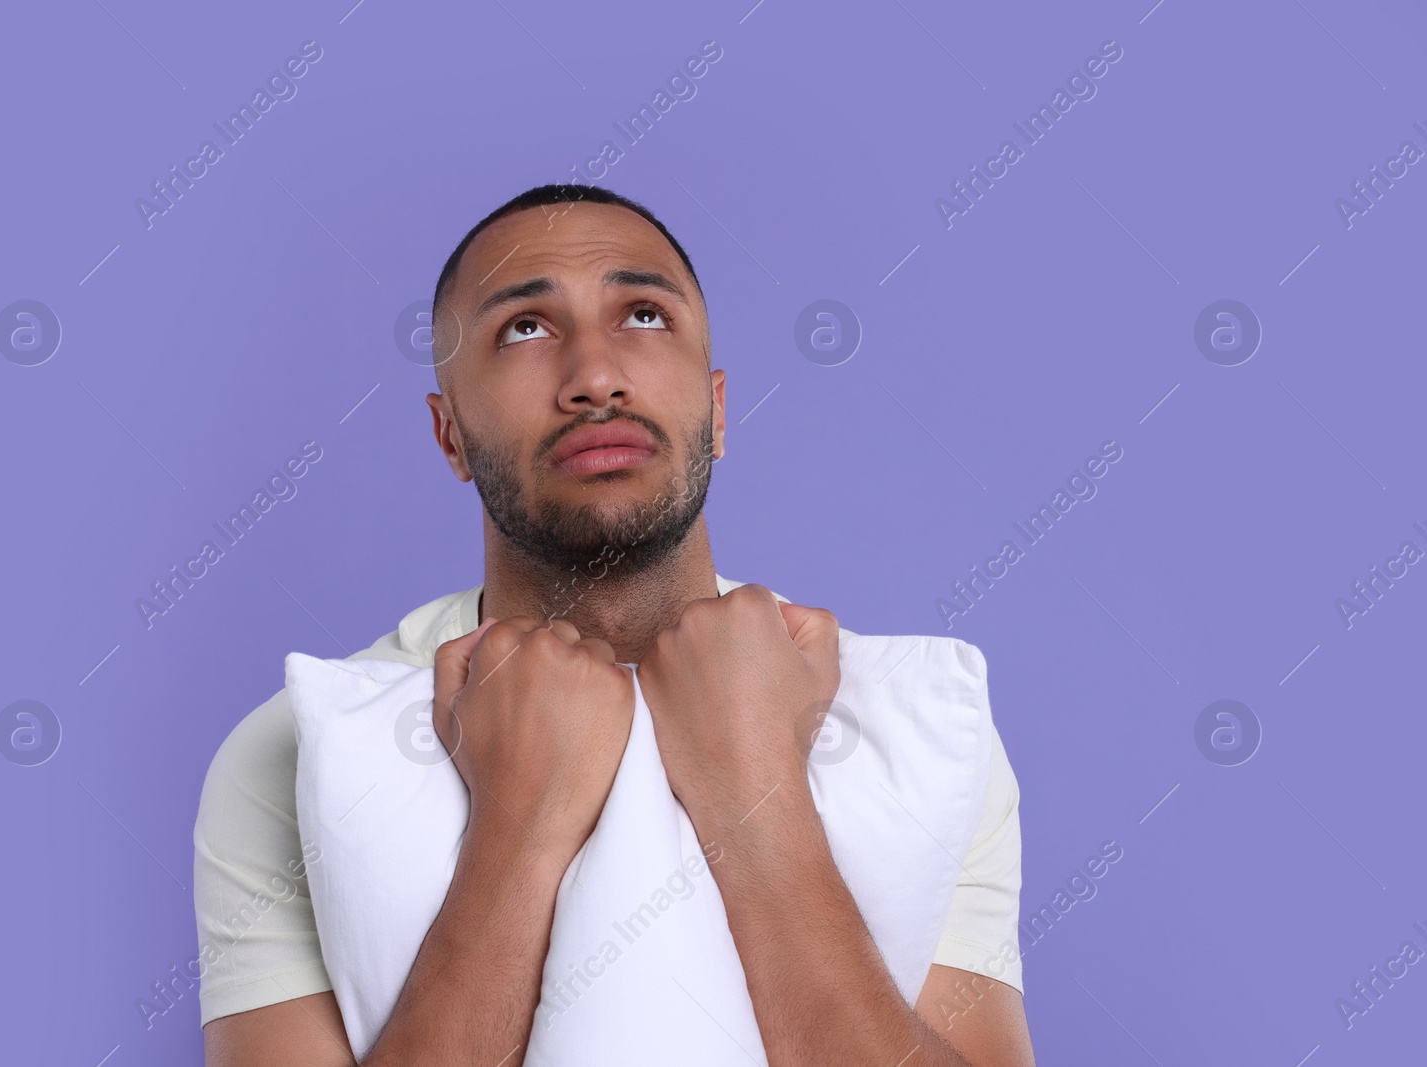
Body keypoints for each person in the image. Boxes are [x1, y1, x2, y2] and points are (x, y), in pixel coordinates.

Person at [193, 183, 1035, 1066]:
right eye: (524, 327)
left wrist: (756, 788)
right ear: (449, 436)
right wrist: (516, 830)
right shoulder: (287, 752)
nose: (595, 376)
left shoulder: (921, 721)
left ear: (717, 411)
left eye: (642, 314)